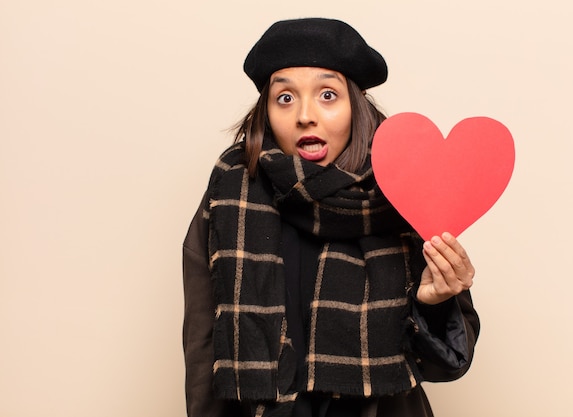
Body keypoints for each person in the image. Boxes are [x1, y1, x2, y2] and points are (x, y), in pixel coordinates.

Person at [182, 17, 480, 417]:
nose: (305, 115)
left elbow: (444, 366)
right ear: (266, 111)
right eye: (285, 98)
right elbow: (203, 345)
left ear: (355, 106)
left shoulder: (404, 192)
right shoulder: (231, 195)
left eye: (327, 95)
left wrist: (436, 304)